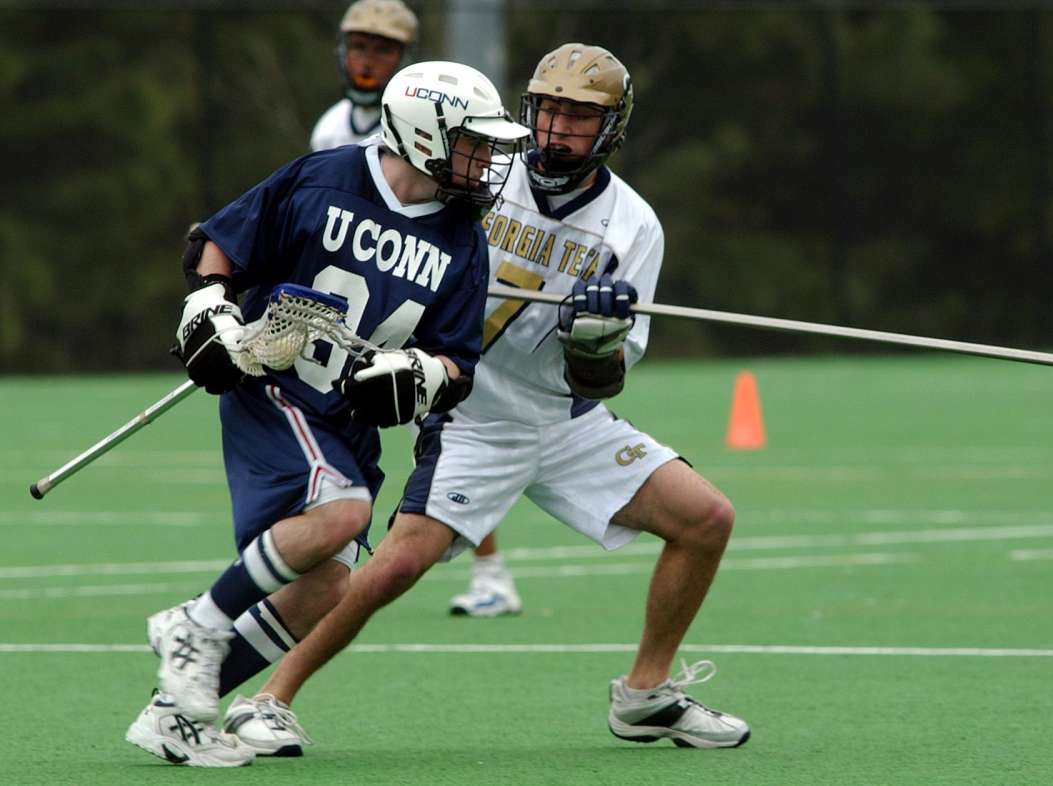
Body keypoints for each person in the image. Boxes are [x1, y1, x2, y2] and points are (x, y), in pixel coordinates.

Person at [249, 42, 751, 750]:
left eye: (580, 117)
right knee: (397, 565)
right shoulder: (482, 172)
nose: (557, 130)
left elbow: (602, 379)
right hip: (473, 416)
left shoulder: (633, 225)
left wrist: (596, 337)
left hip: (566, 421)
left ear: (611, 128)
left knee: (706, 519)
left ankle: (644, 694)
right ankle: (269, 698)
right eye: (547, 111)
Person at [123, 60, 529, 767]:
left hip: (346, 420)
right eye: (472, 142)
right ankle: (197, 624)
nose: (486, 160)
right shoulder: (326, 177)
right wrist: (210, 304)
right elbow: (220, 241)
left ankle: (172, 715)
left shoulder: (464, 238)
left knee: (325, 588)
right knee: (342, 512)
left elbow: (459, 360)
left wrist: (425, 374)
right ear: (425, 135)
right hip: (274, 386)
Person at [310, 0, 418, 152]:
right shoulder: (328, 131)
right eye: (358, 47)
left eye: (383, 50)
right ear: (343, 52)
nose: (367, 62)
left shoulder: (416, 128)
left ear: (404, 58)